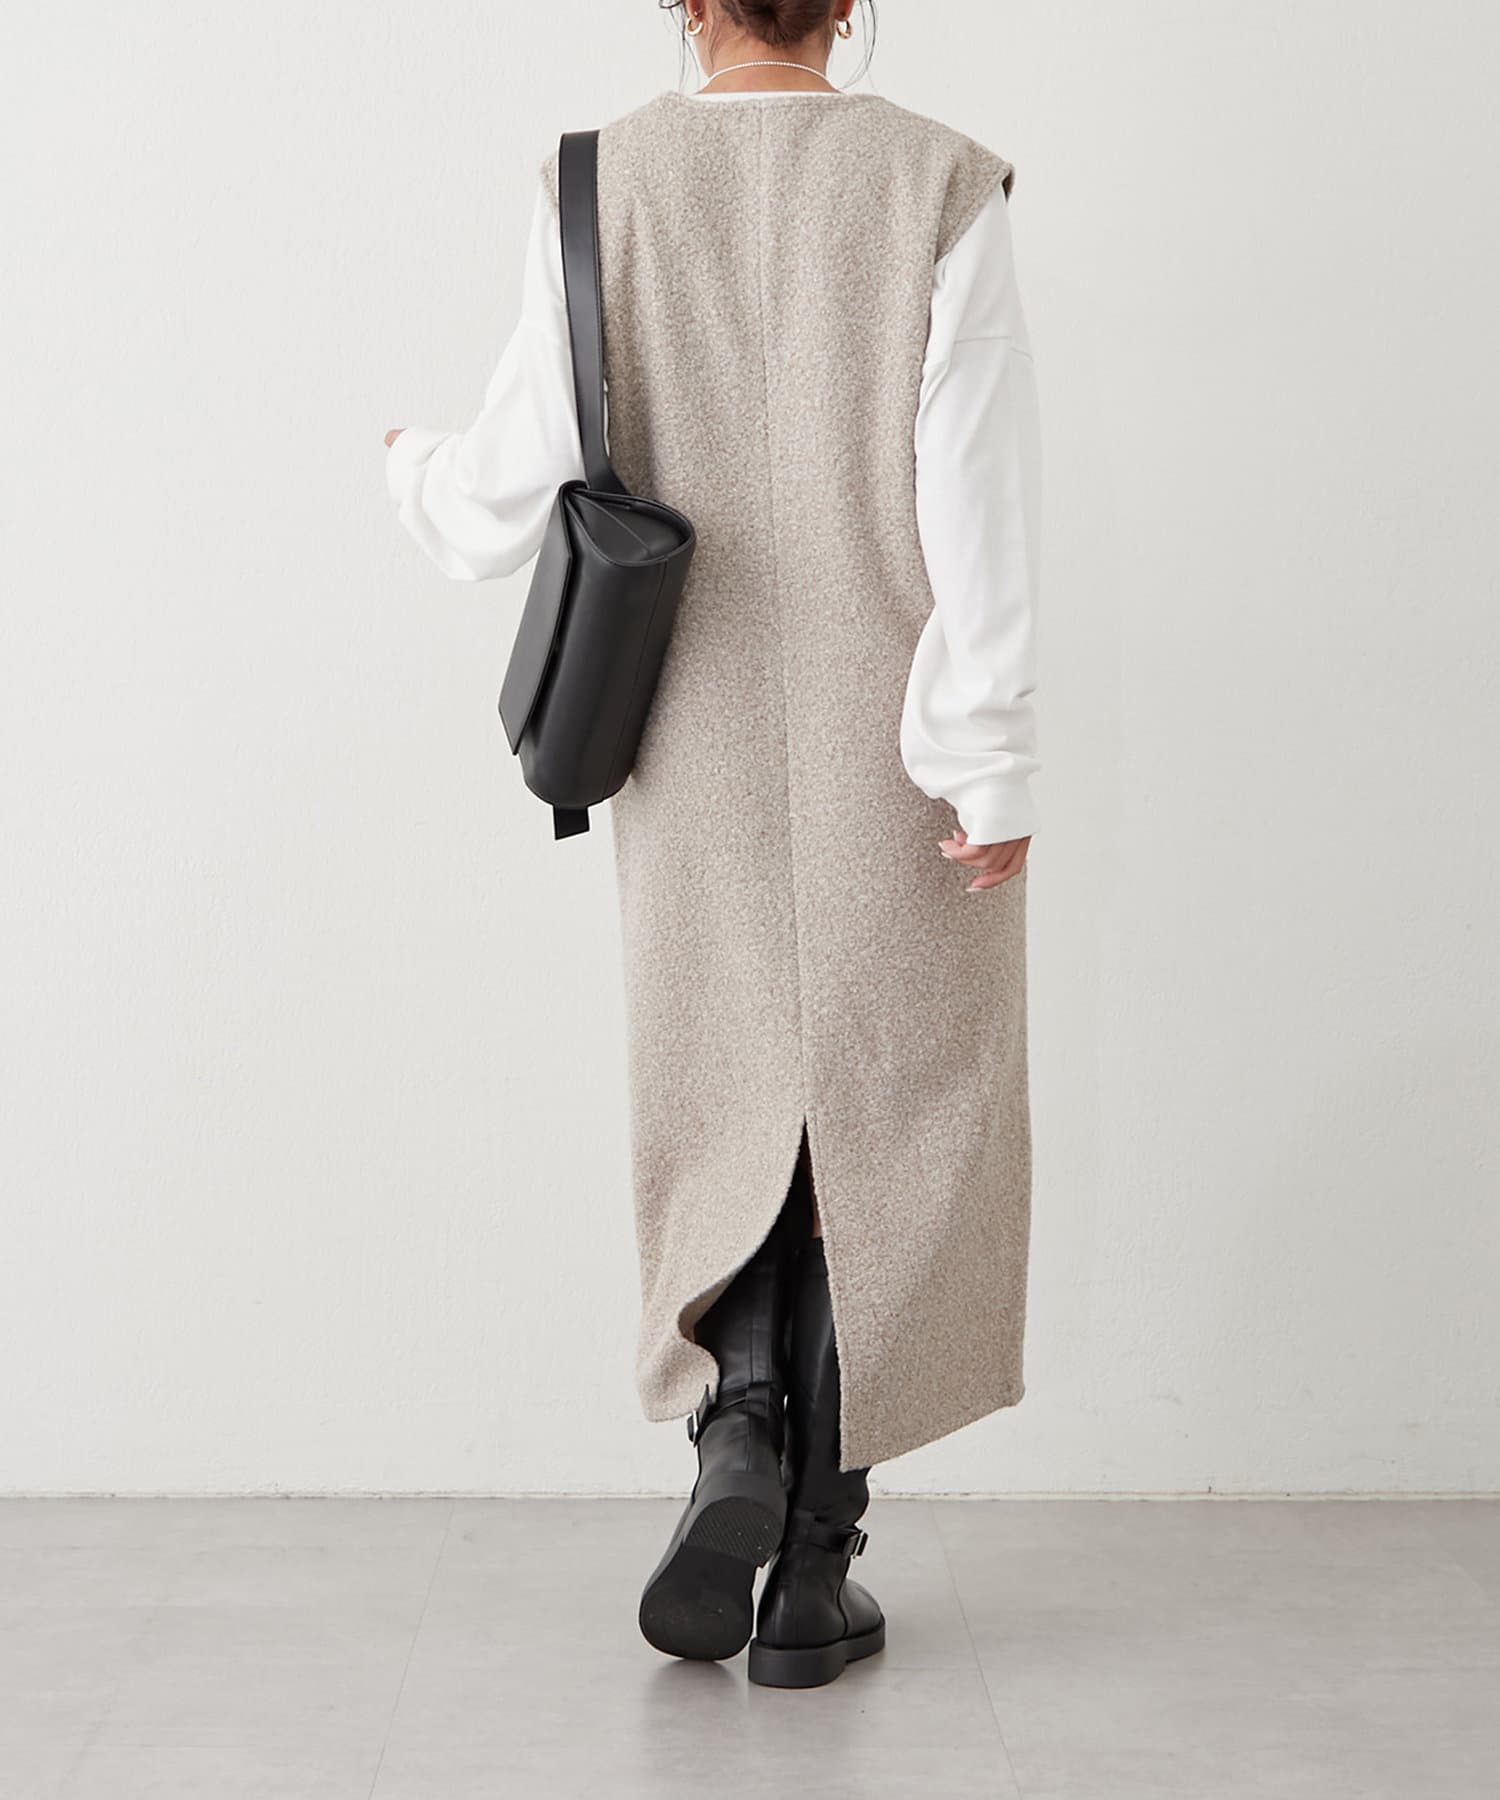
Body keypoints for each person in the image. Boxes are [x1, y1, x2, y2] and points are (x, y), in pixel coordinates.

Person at [385, 0, 1041, 1689]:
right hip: (890, 723)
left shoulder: (597, 182)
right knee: (897, 1115)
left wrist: (412, 473)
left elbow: (510, 481)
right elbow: (976, 490)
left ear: (685, 4)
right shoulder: (941, 184)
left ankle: (738, 1419)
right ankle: (814, 1577)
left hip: (687, 724)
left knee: (728, 1085)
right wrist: (988, 760)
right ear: (852, 7)